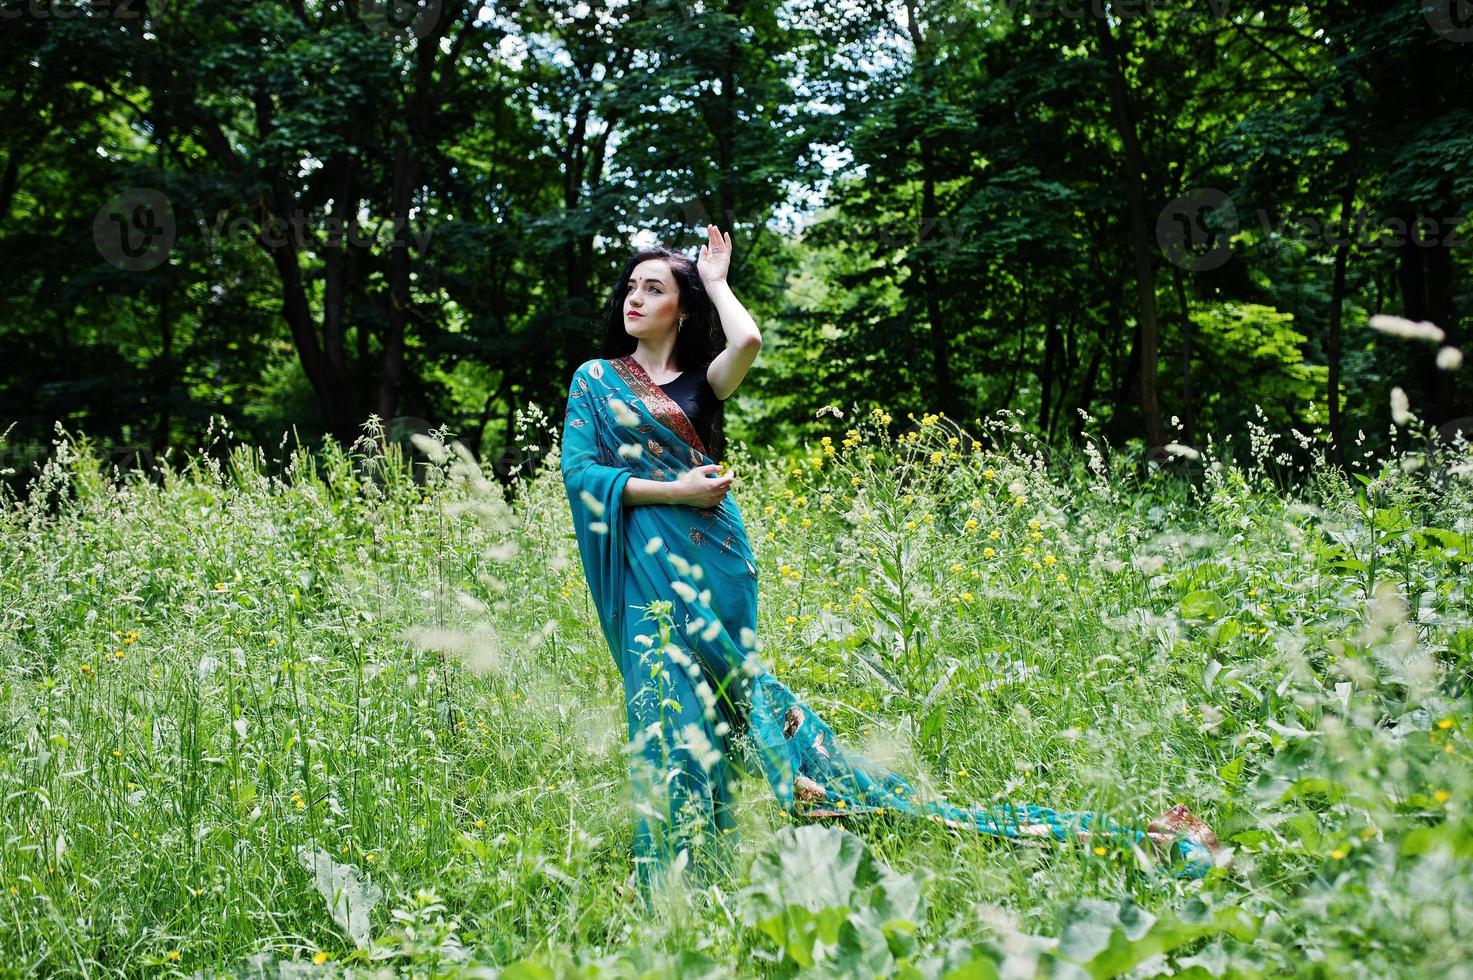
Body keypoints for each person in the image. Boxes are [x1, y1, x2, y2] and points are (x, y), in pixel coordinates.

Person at [559, 224, 1227, 908]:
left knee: (728, 709)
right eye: (630, 287)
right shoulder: (594, 381)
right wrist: (677, 491)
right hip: (651, 565)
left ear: (684, 308)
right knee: (666, 708)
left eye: (654, 288)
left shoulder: (703, 381)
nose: (633, 299)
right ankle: (680, 880)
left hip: (715, 562)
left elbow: (750, 342)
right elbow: (580, 476)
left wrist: (720, 282)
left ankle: (736, 850)